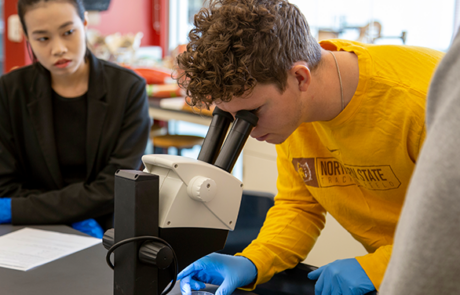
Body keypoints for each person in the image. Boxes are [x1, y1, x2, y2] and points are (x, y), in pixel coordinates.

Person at [174, 0, 444, 294]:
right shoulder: (293, 111)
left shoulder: (426, 103)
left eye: (252, 114)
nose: (248, 132)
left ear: (300, 77)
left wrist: (379, 269)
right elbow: (299, 207)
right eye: (234, 118)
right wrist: (252, 262)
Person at [0, 0, 151, 238]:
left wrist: (42, 209)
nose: (58, 48)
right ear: (27, 38)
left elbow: (116, 185)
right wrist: (64, 215)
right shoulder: (9, 91)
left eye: (68, 32)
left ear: (85, 23)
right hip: (30, 231)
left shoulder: (128, 89)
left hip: (109, 228)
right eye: (42, 38)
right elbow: (6, 185)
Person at [378, 31, 460, 294]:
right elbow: (298, 204)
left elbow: (443, 218)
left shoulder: (412, 98)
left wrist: (373, 268)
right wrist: (255, 260)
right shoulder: (294, 122)